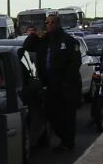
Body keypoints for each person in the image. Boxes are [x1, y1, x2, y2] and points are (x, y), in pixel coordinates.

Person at [23, 11, 81, 150]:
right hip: (50, 85)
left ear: (58, 24)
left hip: (66, 86)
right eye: (47, 22)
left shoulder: (68, 40)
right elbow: (27, 48)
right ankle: (63, 138)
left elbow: (75, 63)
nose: (49, 25)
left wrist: (65, 82)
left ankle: (68, 143)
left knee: (67, 116)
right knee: (51, 113)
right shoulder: (44, 40)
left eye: (52, 22)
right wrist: (32, 35)